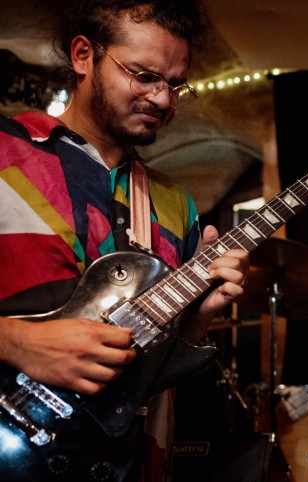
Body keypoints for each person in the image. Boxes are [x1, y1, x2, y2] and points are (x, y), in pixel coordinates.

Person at [0, 1, 249, 481]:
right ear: (83, 56)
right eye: (145, 76)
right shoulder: (5, 154)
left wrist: (198, 317)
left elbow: (154, 368)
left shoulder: (175, 203)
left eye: (175, 84)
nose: (163, 99)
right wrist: (16, 342)